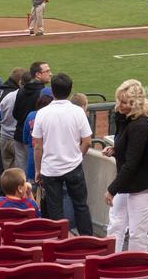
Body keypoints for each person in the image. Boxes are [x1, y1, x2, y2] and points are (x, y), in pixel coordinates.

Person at [104, 80, 148, 252]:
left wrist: (112, 189)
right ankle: (110, 260)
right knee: (116, 223)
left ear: (134, 104)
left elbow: (132, 162)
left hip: (144, 184)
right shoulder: (127, 119)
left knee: (138, 231)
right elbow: (130, 149)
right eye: (119, 100)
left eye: (124, 102)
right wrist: (116, 150)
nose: (119, 105)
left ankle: (139, 269)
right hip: (130, 181)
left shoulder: (139, 125)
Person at [32, 73, 93, 236]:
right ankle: (88, 241)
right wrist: (77, 156)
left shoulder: (42, 113)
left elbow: (37, 146)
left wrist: (38, 170)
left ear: (52, 91)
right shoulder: (78, 112)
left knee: (55, 209)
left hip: (50, 169)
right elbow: (87, 142)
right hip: (73, 167)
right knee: (81, 205)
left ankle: (60, 243)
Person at [13, 62, 51, 170]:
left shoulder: (21, 90)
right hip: (34, 140)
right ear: (38, 74)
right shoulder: (43, 93)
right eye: (47, 71)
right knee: (35, 171)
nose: (50, 74)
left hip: (19, 135)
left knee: (21, 172)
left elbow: (15, 113)